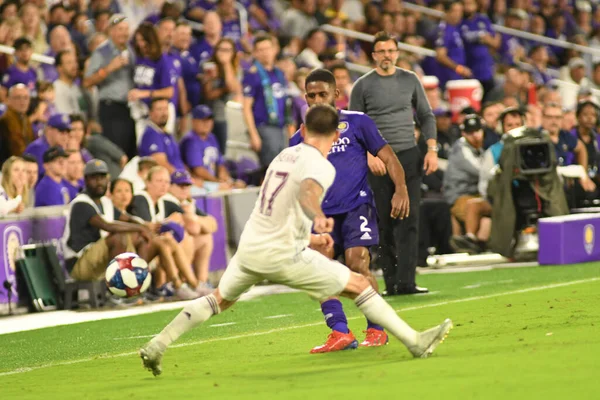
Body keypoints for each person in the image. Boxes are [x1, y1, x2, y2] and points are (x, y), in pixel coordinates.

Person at [139, 104, 453, 377]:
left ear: (302, 129)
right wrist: (317, 216)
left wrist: (312, 237)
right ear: (335, 135)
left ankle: (157, 345)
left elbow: (278, 203)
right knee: (359, 284)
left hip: (251, 249)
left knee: (218, 300)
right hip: (282, 254)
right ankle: (414, 342)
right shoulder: (321, 165)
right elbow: (307, 194)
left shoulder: (284, 155)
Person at [289, 69, 410, 352]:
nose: (318, 99)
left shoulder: (357, 123)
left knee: (358, 263)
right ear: (305, 98)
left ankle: (377, 329)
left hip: (357, 206)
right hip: (321, 216)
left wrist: (401, 189)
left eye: (323, 94)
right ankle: (340, 332)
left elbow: (388, 157)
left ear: (336, 95)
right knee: (321, 271)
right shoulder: (298, 139)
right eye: (312, 95)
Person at [349, 32, 438, 295]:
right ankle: (391, 284)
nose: (386, 55)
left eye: (391, 50)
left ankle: (407, 282)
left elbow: (426, 114)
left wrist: (431, 149)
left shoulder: (410, 80)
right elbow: (354, 125)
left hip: (408, 155)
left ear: (397, 53)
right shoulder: (363, 85)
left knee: (410, 220)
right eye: (381, 51)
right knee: (384, 222)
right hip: (379, 160)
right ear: (374, 55)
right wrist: (368, 155)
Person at [83, 14, 137, 159]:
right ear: (111, 31)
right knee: (116, 152)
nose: (124, 33)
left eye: (126, 29)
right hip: (110, 108)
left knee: (129, 152)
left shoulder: (131, 50)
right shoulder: (102, 51)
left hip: (129, 108)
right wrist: (108, 69)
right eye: (120, 29)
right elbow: (87, 81)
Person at [242, 33, 291, 168]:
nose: (265, 53)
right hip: (264, 126)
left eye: (268, 48)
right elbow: (246, 107)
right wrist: (253, 134)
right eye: (261, 50)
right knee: (272, 169)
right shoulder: (252, 74)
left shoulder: (279, 74)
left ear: (274, 50)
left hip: (280, 127)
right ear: (255, 53)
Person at [165, 170, 218, 289]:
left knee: (205, 237)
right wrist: (195, 221)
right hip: (166, 247)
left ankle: (202, 281)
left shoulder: (186, 202)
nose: (184, 189)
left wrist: (194, 217)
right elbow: (193, 228)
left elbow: (213, 224)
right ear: (170, 186)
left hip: (176, 247)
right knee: (187, 238)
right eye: (180, 186)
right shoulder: (168, 200)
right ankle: (183, 282)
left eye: (187, 186)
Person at [180, 105, 245, 190]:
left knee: (240, 185)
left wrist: (226, 179)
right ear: (194, 121)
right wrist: (217, 182)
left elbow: (220, 164)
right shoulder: (190, 140)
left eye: (209, 120)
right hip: (199, 184)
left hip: (213, 182)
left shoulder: (212, 138)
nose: (207, 123)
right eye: (203, 120)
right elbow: (198, 170)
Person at [443, 114, 485, 230]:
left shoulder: (478, 149)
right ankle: (469, 241)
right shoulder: (461, 148)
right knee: (481, 213)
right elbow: (480, 171)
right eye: (471, 132)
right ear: (464, 133)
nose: (475, 135)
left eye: (477, 131)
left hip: (473, 194)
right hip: (459, 196)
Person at [201, 37, 243, 153]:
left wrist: (226, 64)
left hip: (224, 116)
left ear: (233, 53)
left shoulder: (236, 69)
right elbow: (208, 94)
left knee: (221, 153)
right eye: (221, 49)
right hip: (206, 115)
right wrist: (212, 80)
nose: (224, 53)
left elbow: (232, 87)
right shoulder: (208, 65)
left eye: (227, 50)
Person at [138, 98, 186, 173]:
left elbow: (178, 161)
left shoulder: (166, 134)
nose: (164, 113)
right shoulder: (151, 134)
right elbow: (161, 164)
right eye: (159, 109)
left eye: (166, 109)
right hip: (169, 181)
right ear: (150, 113)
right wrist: (181, 177)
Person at [24, 113, 71, 179]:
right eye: (61, 131)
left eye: (67, 132)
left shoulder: (57, 149)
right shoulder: (37, 148)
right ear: (49, 130)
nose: (65, 136)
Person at [0, 84, 33, 165]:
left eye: (26, 98)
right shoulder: (3, 122)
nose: (22, 101)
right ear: (8, 100)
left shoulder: (26, 120)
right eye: (18, 97)